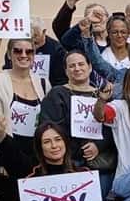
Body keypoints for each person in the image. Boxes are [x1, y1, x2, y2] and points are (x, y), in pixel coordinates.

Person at [0, 37, 50, 201]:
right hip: (10, 150)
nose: (23, 55)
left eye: (29, 51)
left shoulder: (42, 81)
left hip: (36, 152)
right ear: (9, 54)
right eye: (18, 51)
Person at [39, 50, 118, 189]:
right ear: (66, 71)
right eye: (72, 66)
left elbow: (114, 128)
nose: (77, 68)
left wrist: (98, 146)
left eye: (81, 64)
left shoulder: (103, 96)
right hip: (69, 163)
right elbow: (50, 127)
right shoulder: (56, 94)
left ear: (90, 67)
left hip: (100, 166)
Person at [5, 18, 67, 86]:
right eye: (29, 35)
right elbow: (9, 67)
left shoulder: (57, 50)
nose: (32, 39)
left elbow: (61, 80)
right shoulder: (17, 47)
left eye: (35, 35)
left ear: (44, 32)